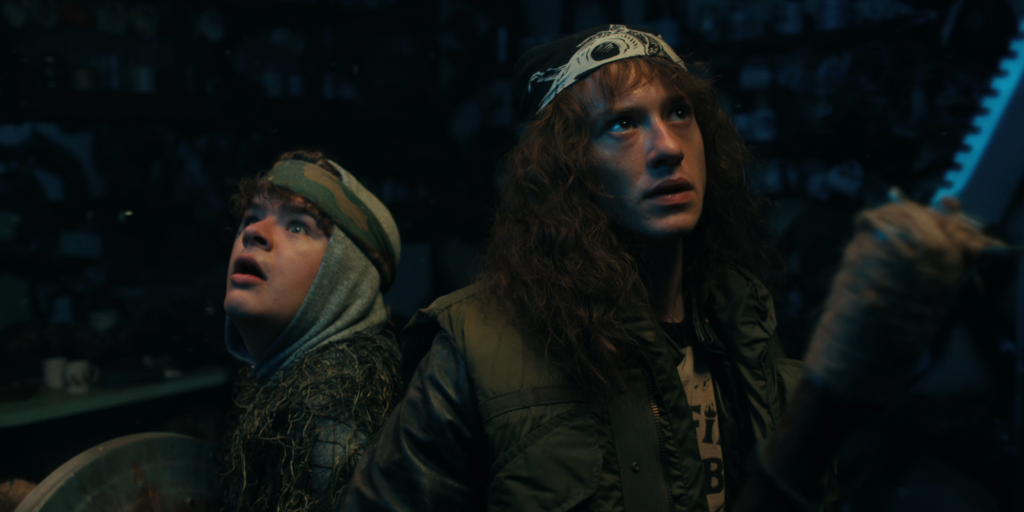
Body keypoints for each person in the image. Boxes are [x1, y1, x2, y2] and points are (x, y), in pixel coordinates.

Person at [343, 24, 818, 511]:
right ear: (567, 168)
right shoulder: (480, 347)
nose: (668, 147)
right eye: (623, 123)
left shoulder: (744, 323)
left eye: (679, 112)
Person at [220, 150, 403, 511]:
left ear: (344, 276)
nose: (253, 232)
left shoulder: (334, 421)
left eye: (297, 226)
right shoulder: (301, 388)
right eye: (251, 217)